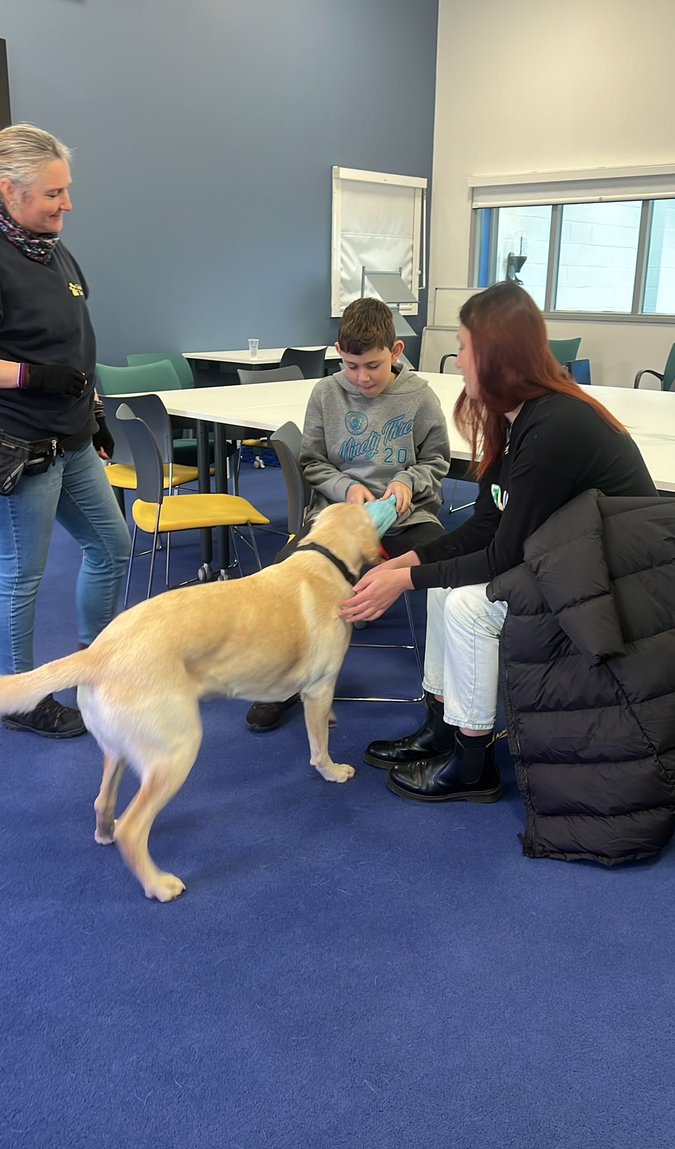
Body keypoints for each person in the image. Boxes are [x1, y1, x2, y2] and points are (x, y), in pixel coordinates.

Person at [340, 281, 658, 802]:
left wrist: (404, 578)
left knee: (467, 603)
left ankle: (472, 763)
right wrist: (410, 563)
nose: (458, 361)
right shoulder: (521, 416)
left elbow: (503, 555)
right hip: (575, 563)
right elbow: (487, 525)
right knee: (446, 588)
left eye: (465, 348)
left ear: (495, 357)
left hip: (613, 587)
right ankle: (441, 726)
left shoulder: (555, 427)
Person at [245, 296, 451, 731]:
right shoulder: (325, 393)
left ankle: (443, 688)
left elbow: (437, 462)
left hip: (406, 518)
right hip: (338, 521)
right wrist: (348, 488)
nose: (362, 377)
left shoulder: (420, 397)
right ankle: (283, 684)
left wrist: (407, 483)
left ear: (396, 352)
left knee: (450, 571)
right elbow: (313, 462)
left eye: (373, 366)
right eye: (352, 366)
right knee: (281, 580)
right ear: (339, 354)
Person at [0, 123, 131, 738]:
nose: (67, 204)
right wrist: (33, 377)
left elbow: (77, 343)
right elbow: (43, 365)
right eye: (54, 193)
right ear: (9, 191)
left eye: (66, 190)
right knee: (21, 578)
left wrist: (97, 410)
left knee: (111, 546)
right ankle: (17, 698)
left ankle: (92, 667)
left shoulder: (53, 250)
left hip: (75, 440)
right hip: (23, 445)